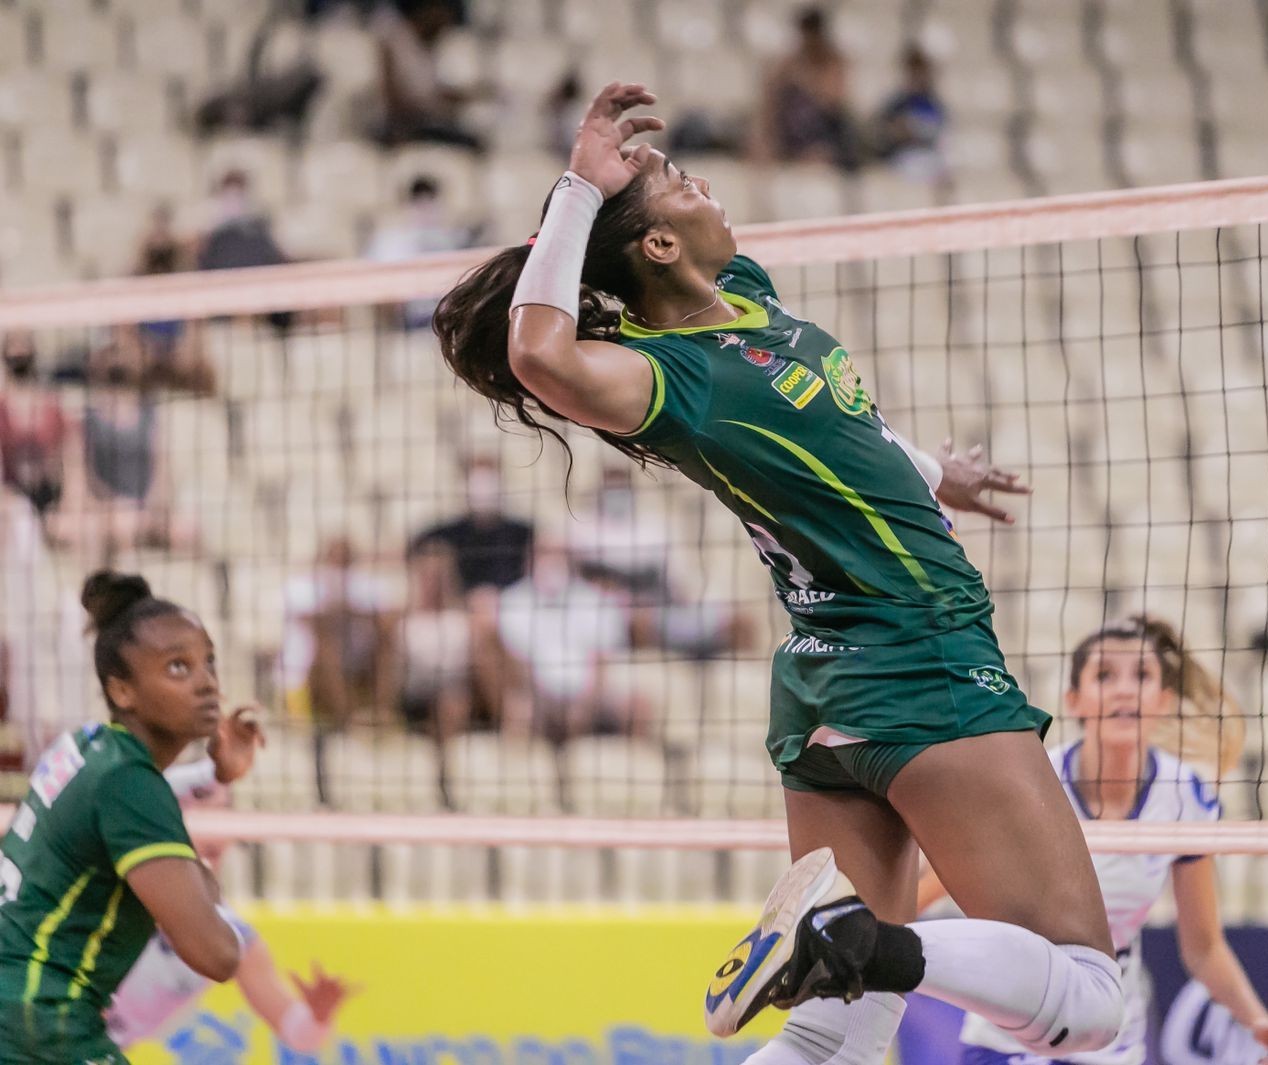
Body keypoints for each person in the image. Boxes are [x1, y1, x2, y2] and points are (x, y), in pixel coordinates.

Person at [433, 81, 1123, 1062]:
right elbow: (540, 354)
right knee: (1090, 1003)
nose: (700, 183)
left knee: (832, 1034)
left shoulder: (744, 303)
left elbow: (833, 425)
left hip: (824, 685)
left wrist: (931, 473)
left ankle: (846, 951)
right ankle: (853, 939)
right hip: (918, 660)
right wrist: (579, 190)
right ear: (657, 248)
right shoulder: (674, 378)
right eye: (677, 186)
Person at [917, 615, 1268, 1064]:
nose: (1124, 690)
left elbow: (1203, 948)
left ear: (1162, 700)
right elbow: (925, 892)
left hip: (1112, 1037)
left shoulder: (1185, 794)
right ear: (1075, 700)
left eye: (1141, 676)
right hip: (1013, 1028)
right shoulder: (1031, 786)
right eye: (1105, 675)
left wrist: (1257, 1021)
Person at [0, 571, 246, 1063]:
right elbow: (216, 954)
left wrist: (217, 774)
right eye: (178, 668)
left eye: (209, 662)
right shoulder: (129, 786)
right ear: (122, 691)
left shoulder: (86, 745)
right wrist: (201, 893)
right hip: (39, 1021)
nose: (206, 683)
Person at [106, 780, 352, 1055]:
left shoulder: (233, 937)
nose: (215, 831)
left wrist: (318, 1016)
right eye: (203, 814)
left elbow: (298, 1034)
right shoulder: (112, 886)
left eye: (223, 813)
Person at [496, 538, 649, 742]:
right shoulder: (512, 600)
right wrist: (545, 699)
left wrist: (586, 702)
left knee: (637, 706)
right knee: (519, 710)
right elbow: (515, 662)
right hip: (536, 693)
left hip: (590, 694)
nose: (551, 562)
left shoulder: (597, 600)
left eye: (558, 554)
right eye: (544, 554)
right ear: (530, 560)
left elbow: (603, 659)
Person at [751, 7, 862, 172]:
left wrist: (807, 79)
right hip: (791, 136)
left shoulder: (833, 61)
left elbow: (833, 102)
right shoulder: (789, 62)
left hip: (823, 134)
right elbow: (770, 97)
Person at [408, 454, 534, 594]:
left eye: (489, 482)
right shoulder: (443, 534)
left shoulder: (524, 534)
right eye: (477, 483)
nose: (483, 490)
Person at [0, 331, 70, 518]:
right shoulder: (2, 406)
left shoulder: (51, 403)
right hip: (9, 497)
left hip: (49, 494)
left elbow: (65, 455)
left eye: (23, 348)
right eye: (13, 348)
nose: (18, 355)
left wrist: (65, 500)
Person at [871, 44, 949, 185]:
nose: (919, 77)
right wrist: (897, 131)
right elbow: (880, 137)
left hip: (930, 158)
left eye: (922, 71)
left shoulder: (934, 103)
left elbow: (942, 135)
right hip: (901, 160)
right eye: (914, 72)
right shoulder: (895, 104)